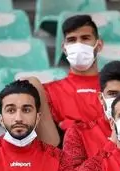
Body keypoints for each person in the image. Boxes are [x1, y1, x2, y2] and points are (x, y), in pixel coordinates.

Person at [26, 15, 104, 147]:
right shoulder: (47, 91)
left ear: (99, 45)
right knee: (30, 85)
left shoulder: (114, 88)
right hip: (62, 154)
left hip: (107, 154)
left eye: (85, 38)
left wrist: (73, 125)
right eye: (72, 40)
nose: (79, 45)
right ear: (64, 48)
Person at [64, 61, 120, 170]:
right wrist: (111, 144)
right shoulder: (78, 133)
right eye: (113, 94)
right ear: (101, 98)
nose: (119, 100)